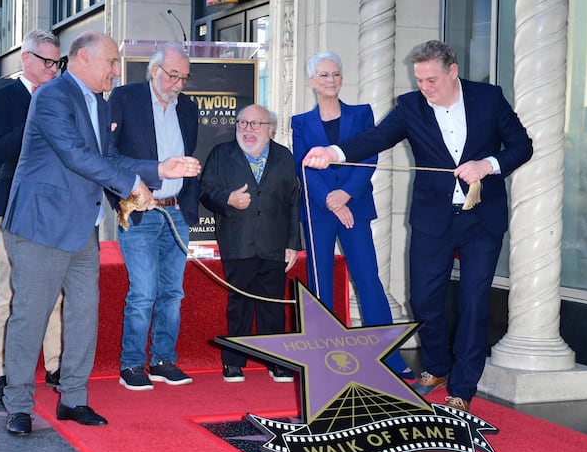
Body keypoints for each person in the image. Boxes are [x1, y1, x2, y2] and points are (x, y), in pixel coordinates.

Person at [303, 40, 533, 411]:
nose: (425, 87)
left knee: (474, 302)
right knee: (424, 301)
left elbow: (522, 146)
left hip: (481, 220)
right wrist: (334, 154)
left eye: (431, 80)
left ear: (452, 71)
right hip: (432, 219)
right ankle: (438, 366)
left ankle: (462, 388)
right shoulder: (411, 107)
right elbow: (374, 138)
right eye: (420, 80)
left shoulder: (489, 99)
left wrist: (487, 165)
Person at [1, 31, 200, 436]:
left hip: (82, 228)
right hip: (42, 226)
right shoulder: (52, 96)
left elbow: (108, 158)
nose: (116, 70)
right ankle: (19, 404)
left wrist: (159, 170)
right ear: (84, 58)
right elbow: (76, 154)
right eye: (111, 62)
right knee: (30, 316)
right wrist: (131, 185)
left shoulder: (101, 101)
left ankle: (73, 399)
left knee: (83, 315)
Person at [291, 52, 410, 375]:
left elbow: (369, 156)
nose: (332, 80)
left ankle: (387, 355)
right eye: (324, 75)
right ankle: (321, 355)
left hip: (354, 206)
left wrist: (345, 195)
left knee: (368, 279)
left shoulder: (361, 114)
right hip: (318, 211)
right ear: (312, 81)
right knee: (321, 284)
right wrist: (330, 200)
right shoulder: (300, 122)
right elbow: (302, 164)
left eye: (336, 74)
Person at [108, 44, 198, 390]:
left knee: (172, 293)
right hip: (142, 210)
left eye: (183, 78)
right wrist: (126, 197)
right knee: (144, 291)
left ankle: (162, 360)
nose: (177, 84)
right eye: (172, 75)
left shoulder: (188, 109)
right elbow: (109, 156)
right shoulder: (125, 98)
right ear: (154, 70)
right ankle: (131, 365)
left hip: (176, 210)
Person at [0, 29, 64, 402]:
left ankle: (55, 365)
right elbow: (1, 150)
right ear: (26, 59)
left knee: (55, 294)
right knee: (10, 292)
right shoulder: (4, 97)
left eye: (57, 62)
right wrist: (37, 111)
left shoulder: (63, 97)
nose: (53, 68)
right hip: (15, 209)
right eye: (46, 61)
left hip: (56, 210)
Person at [200, 104, 300, 383]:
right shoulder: (221, 154)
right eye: (243, 123)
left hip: (274, 243)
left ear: (271, 129)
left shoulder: (284, 157)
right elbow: (206, 192)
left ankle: (276, 361)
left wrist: (292, 243)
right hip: (237, 241)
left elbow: (293, 202)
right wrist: (227, 199)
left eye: (255, 124)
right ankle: (233, 362)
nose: (247, 129)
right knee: (239, 304)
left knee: (272, 305)